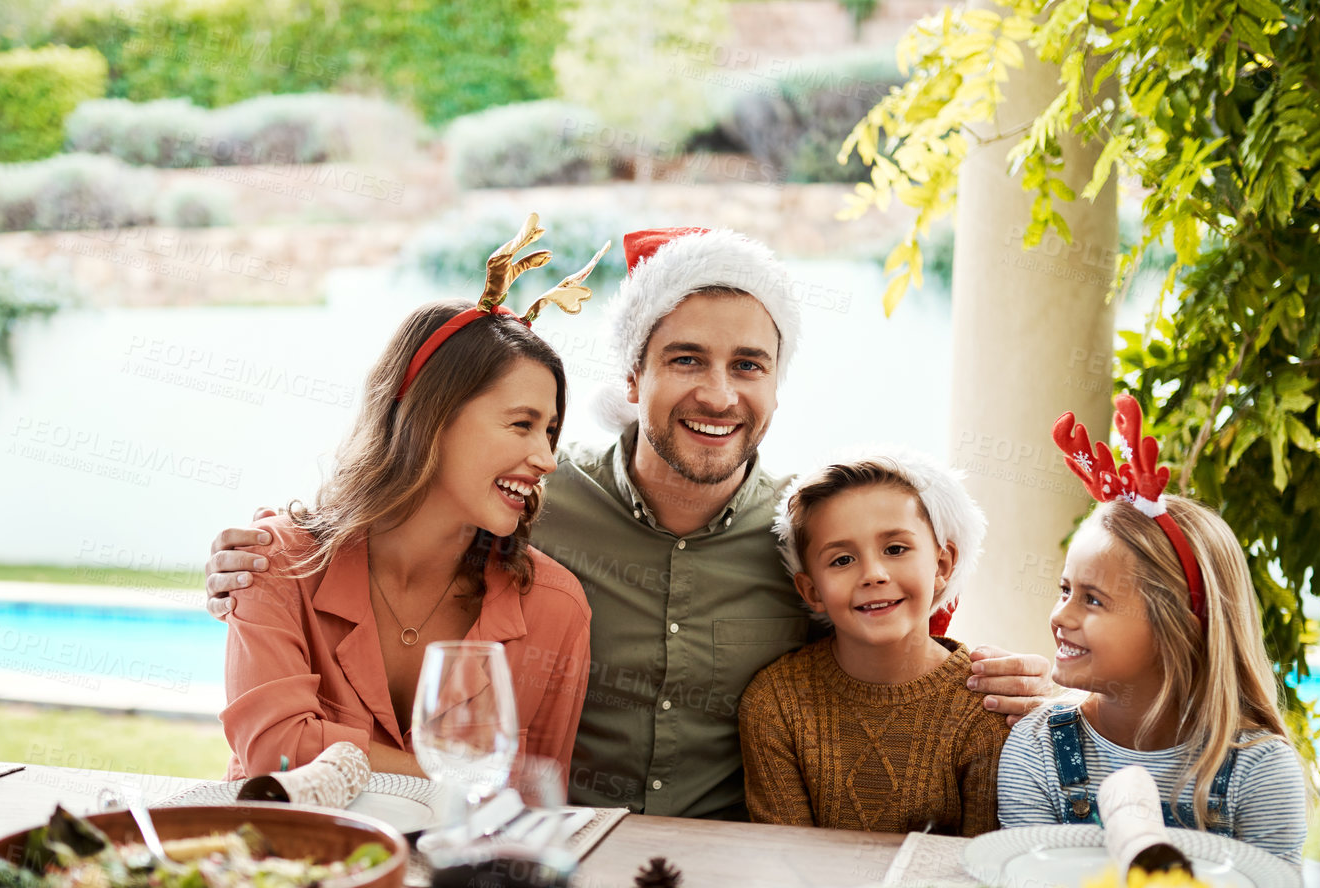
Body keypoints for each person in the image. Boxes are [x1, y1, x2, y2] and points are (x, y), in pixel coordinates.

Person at [208, 226, 1053, 816]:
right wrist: (257, 558)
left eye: (747, 366)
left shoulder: (806, 540)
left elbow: (897, 622)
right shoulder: (534, 507)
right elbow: (396, 507)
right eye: (685, 359)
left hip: (727, 858)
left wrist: (1013, 689)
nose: (718, 394)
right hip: (556, 851)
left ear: (774, 385)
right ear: (633, 376)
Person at [220, 216, 595, 782]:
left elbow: (534, 796)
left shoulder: (556, 610)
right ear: (430, 416)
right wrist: (463, 779)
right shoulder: (273, 565)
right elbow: (274, 753)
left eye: (550, 431)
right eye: (521, 424)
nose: (546, 458)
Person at [996, 397, 1307, 863]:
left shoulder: (1260, 773)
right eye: (1065, 590)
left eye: (1093, 599)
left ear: (1176, 626)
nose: (1061, 616)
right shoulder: (1036, 748)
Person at [741, 450, 1010, 833]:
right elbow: (786, 860)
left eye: (896, 549)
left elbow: (980, 872)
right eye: (842, 560)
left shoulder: (984, 709)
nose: (874, 574)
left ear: (942, 565)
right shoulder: (776, 704)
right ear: (812, 590)